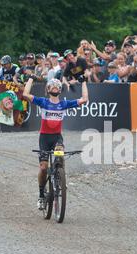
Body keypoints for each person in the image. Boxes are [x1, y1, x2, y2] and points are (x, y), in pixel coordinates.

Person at [22, 77, 89, 210]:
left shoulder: (64, 104)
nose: (55, 87)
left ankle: (60, 178)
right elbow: (25, 94)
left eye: (57, 86)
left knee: (60, 154)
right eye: (52, 86)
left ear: (60, 90)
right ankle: (41, 195)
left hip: (57, 137)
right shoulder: (43, 102)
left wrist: (84, 82)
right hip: (44, 138)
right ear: (48, 89)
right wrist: (30, 79)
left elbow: (84, 99)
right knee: (43, 168)